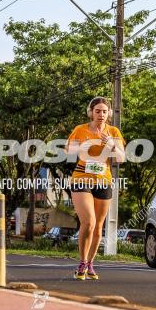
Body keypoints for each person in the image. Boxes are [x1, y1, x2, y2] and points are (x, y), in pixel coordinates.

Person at [66, 96, 125, 281]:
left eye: (104, 111)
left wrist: (111, 145)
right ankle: (82, 262)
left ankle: (90, 263)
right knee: (89, 222)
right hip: (82, 178)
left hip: (103, 181)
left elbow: (121, 158)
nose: (101, 114)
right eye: (97, 111)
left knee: (99, 226)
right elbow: (68, 151)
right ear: (91, 112)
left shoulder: (113, 132)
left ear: (109, 114)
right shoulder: (80, 129)